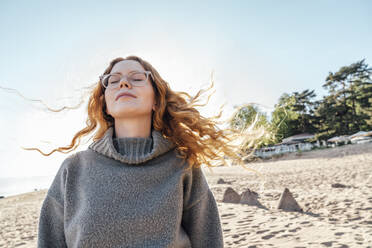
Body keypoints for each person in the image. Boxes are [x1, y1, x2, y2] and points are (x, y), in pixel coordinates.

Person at [34, 55, 260, 247]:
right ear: (105, 105)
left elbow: (209, 241)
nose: (123, 83)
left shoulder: (182, 166)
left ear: (156, 100)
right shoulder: (73, 169)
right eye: (113, 80)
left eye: (137, 78)